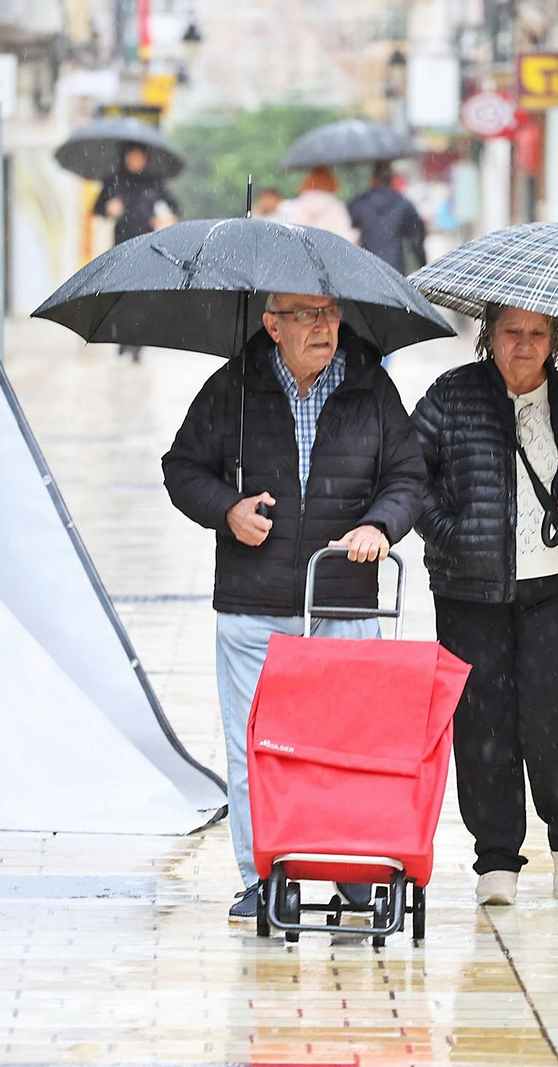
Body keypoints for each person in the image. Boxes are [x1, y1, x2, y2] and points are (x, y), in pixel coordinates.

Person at [162, 292, 426, 921]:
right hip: (253, 606)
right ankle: (261, 874)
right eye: (305, 315)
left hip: (346, 601)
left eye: (330, 313)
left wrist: (379, 528)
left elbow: (408, 477)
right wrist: (226, 508)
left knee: (349, 746)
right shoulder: (232, 387)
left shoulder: (372, 388)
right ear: (271, 324)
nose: (323, 327)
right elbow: (182, 469)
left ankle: (354, 870)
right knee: (256, 747)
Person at [411, 304, 558, 906]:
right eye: (512, 331)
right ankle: (496, 861)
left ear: (554, 341)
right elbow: (410, 477)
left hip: (557, 592)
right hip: (469, 591)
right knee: (482, 721)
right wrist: (451, 533)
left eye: (538, 332)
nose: (524, 343)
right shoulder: (451, 397)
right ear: (489, 334)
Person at [94, 144, 179, 360]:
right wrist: (108, 208)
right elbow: (97, 209)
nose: (135, 160)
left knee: (143, 295)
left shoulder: (154, 182)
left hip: (147, 244)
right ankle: (122, 339)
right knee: (121, 294)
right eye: (131, 156)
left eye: (139, 157)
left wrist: (166, 218)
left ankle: (138, 343)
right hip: (121, 245)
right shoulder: (114, 181)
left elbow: (174, 207)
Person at [348, 162, 428, 273]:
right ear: (392, 180)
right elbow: (417, 239)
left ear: (373, 180)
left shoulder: (358, 204)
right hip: (395, 269)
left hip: (367, 267)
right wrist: (423, 265)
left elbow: (348, 233)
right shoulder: (403, 204)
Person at [284, 166, 358, 243]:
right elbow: (345, 236)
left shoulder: (299, 205)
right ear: (332, 182)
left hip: (304, 250)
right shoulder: (336, 207)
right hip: (329, 250)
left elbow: (291, 232)